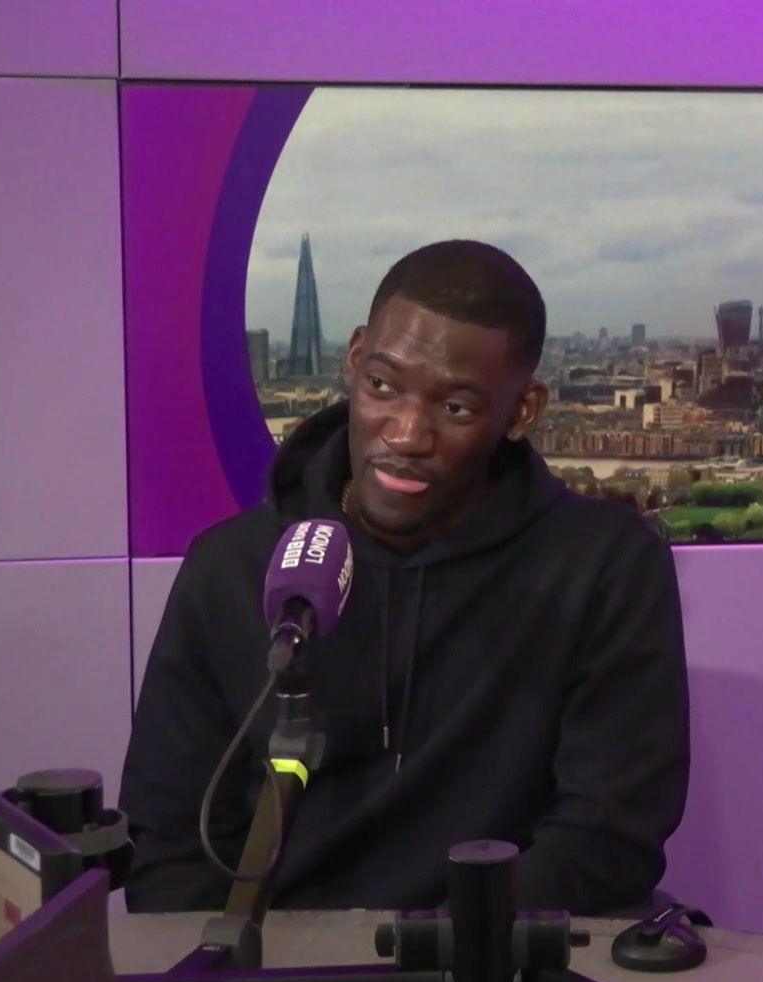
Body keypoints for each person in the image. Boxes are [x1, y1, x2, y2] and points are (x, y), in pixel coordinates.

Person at [120, 240, 688, 914]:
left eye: (456, 408)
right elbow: (169, 848)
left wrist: (432, 967)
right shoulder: (229, 568)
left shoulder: (606, 567)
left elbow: (607, 841)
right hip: (275, 981)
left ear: (523, 411)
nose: (407, 433)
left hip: (496, 973)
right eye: (384, 387)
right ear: (355, 360)